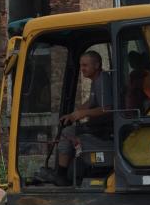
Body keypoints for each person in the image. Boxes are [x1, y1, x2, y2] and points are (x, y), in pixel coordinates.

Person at [49, 50, 114, 185]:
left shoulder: (103, 81)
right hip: (96, 127)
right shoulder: (96, 80)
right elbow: (90, 102)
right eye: (81, 65)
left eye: (85, 65)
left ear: (96, 65)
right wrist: (74, 113)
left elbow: (108, 109)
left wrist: (83, 114)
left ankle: (61, 176)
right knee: (69, 129)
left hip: (104, 131)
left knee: (67, 133)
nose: (82, 69)